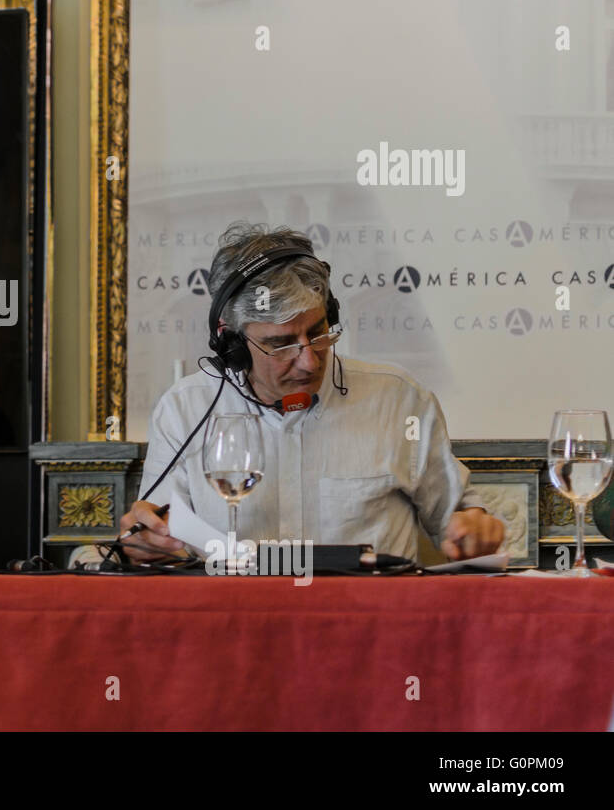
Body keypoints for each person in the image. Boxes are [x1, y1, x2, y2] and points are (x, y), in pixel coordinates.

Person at [119, 222, 504, 564]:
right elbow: (156, 529)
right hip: (234, 626)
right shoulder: (185, 409)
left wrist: (473, 530)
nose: (309, 361)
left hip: (373, 630)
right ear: (231, 341)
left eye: (319, 333)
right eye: (281, 343)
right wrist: (147, 541)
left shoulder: (399, 400)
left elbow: (460, 520)